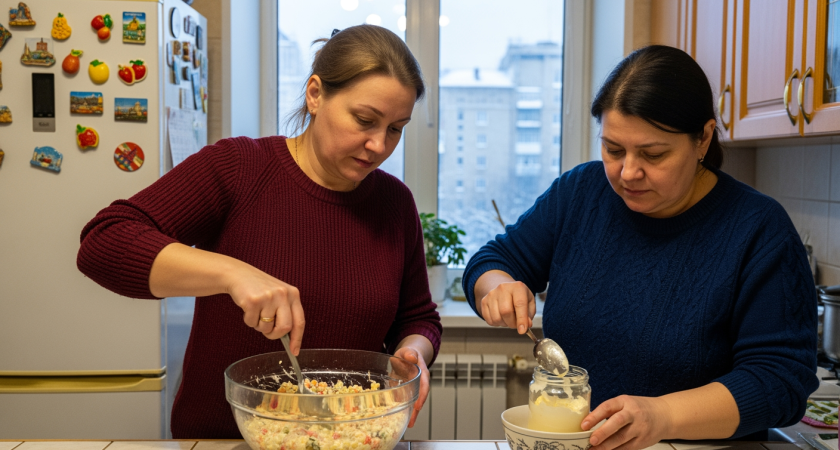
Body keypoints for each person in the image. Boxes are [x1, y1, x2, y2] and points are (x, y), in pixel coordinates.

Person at [77, 24, 442, 439]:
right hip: (221, 439)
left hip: (348, 438)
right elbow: (103, 242)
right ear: (316, 94)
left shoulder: (395, 203)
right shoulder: (239, 168)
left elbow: (418, 316)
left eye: (395, 128)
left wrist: (414, 351)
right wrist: (234, 274)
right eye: (364, 120)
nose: (379, 145)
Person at [463, 45, 817, 447]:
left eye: (653, 154)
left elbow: (780, 382)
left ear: (702, 138)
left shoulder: (759, 230)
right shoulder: (581, 193)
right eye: (613, 149)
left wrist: (663, 415)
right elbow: (493, 261)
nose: (628, 172)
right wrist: (497, 286)